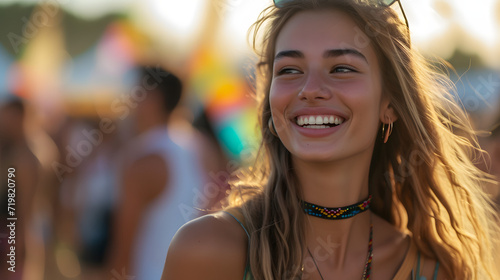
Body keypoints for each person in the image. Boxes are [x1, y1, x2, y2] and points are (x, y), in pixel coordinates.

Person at [162, 0, 500, 279]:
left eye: (341, 68)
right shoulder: (209, 249)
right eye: (290, 70)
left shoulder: (436, 270)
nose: (309, 90)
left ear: (389, 104)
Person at [107, 66, 204, 279]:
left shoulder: (145, 161)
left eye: (136, 92)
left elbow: (122, 248)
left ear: (153, 99)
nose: (129, 100)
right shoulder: (196, 147)